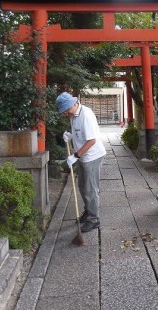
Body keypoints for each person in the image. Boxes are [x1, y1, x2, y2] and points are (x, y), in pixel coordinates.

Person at [55, 92, 106, 233]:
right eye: (63, 111)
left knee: (90, 189)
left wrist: (75, 155)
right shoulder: (74, 114)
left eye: (66, 110)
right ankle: (88, 211)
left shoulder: (86, 116)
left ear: (73, 104)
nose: (65, 113)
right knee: (82, 186)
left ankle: (94, 219)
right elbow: (81, 134)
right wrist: (71, 136)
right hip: (83, 157)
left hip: (92, 156)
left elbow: (91, 140)